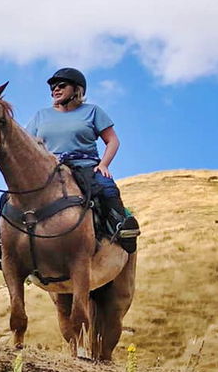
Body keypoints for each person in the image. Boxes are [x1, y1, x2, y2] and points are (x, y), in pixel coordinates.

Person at [26, 67, 139, 244]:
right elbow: (28, 145)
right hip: (50, 168)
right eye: (53, 87)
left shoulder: (93, 111)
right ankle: (3, 243)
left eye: (61, 85)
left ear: (77, 89)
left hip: (85, 165)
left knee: (106, 187)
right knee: (12, 196)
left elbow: (113, 141)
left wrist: (103, 165)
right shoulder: (41, 115)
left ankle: (121, 226)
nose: (56, 89)